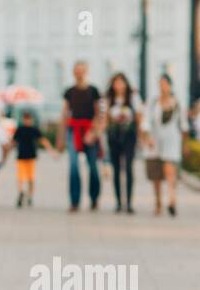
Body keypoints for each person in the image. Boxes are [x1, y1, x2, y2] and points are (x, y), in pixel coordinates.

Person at [141, 74, 187, 217]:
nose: (162, 86)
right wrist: (147, 137)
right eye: (160, 83)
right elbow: (146, 121)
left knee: (169, 171)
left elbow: (184, 126)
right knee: (156, 176)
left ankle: (172, 199)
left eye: (165, 83)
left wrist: (185, 145)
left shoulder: (178, 104)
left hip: (172, 141)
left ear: (170, 85)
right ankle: (158, 202)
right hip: (155, 142)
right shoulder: (153, 103)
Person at [60, 61, 103, 212]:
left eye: (82, 70)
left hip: (89, 130)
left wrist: (94, 132)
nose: (79, 73)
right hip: (74, 130)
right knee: (73, 166)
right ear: (73, 72)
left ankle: (94, 197)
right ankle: (74, 200)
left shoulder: (94, 91)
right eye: (76, 70)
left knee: (92, 167)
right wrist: (61, 138)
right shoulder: (69, 92)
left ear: (86, 71)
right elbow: (65, 114)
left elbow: (99, 114)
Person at [104, 72, 141, 214]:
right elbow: (105, 117)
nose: (119, 85)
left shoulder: (133, 97)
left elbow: (138, 117)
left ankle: (129, 202)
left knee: (129, 168)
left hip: (129, 135)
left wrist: (141, 136)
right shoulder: (109, 99)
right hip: (114, 136)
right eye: (116, 82)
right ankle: (119, 202)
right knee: (116, 169)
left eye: (121, 82)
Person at [11, 108, 53, 207]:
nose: (27, 121)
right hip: (21, 157)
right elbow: (13, 142)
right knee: (21, 177)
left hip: (30, 157)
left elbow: (43, 140)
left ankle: (28, 195)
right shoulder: (20, 129)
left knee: (30, 178)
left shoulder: (33, 129)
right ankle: (22, 192)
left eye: (28, 119)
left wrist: (51, 150)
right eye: (26, 119)